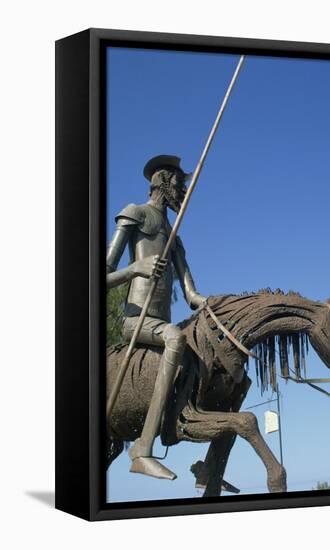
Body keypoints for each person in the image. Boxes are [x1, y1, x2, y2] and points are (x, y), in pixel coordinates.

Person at [106, 154, 206, 480]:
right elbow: (98, 277)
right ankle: (142, 449)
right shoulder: (135, 214)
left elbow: (191, 295)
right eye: (179, 185)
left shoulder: (173, 235)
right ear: (162, 182)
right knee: (175, 338)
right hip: (135, 320)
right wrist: (135, 268)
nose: (183, 193)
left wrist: (213, 304)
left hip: (160, 320)